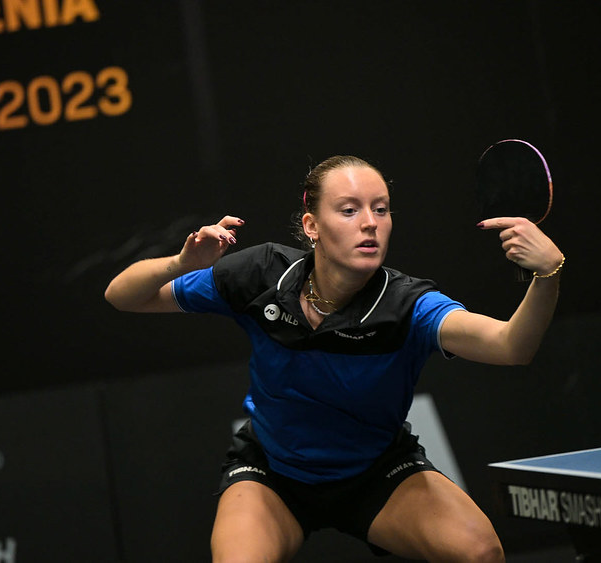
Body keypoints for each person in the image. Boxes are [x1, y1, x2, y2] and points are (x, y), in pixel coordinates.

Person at [105, 155, 564, 563]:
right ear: (312, 226)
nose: (370, 223)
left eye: (380, 209)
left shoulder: (409, 306)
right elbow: (122, 296)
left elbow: (511, 346)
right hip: (273, 471)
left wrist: (548, 274)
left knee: (480, 552)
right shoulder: (261, 275)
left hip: (376, 473)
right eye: (349, 210)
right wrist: (182, 263)